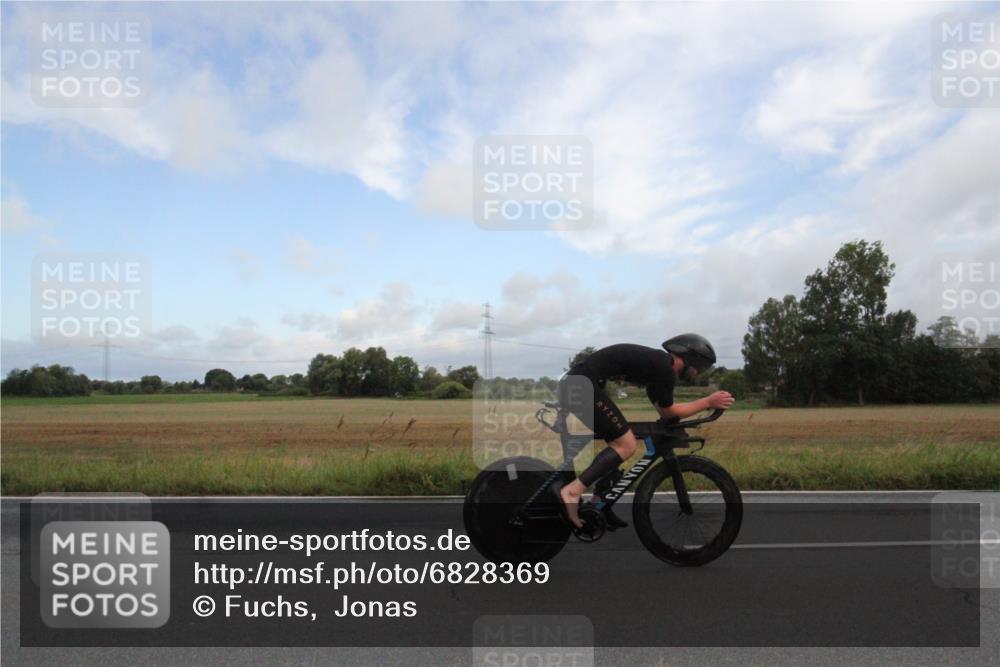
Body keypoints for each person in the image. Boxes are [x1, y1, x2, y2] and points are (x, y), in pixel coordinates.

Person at [557, 334, 734, 529]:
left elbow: (667, 414)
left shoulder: (656, 369)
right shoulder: (663, 368)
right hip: (582, 386)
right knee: (625, 444)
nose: (698, 373)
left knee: (616, 440)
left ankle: (600, 503)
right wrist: (707, 402)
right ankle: (573, 492)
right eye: (701, 368)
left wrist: (701, 405)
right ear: (692, 359)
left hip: (578, 384)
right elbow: (671, 411)